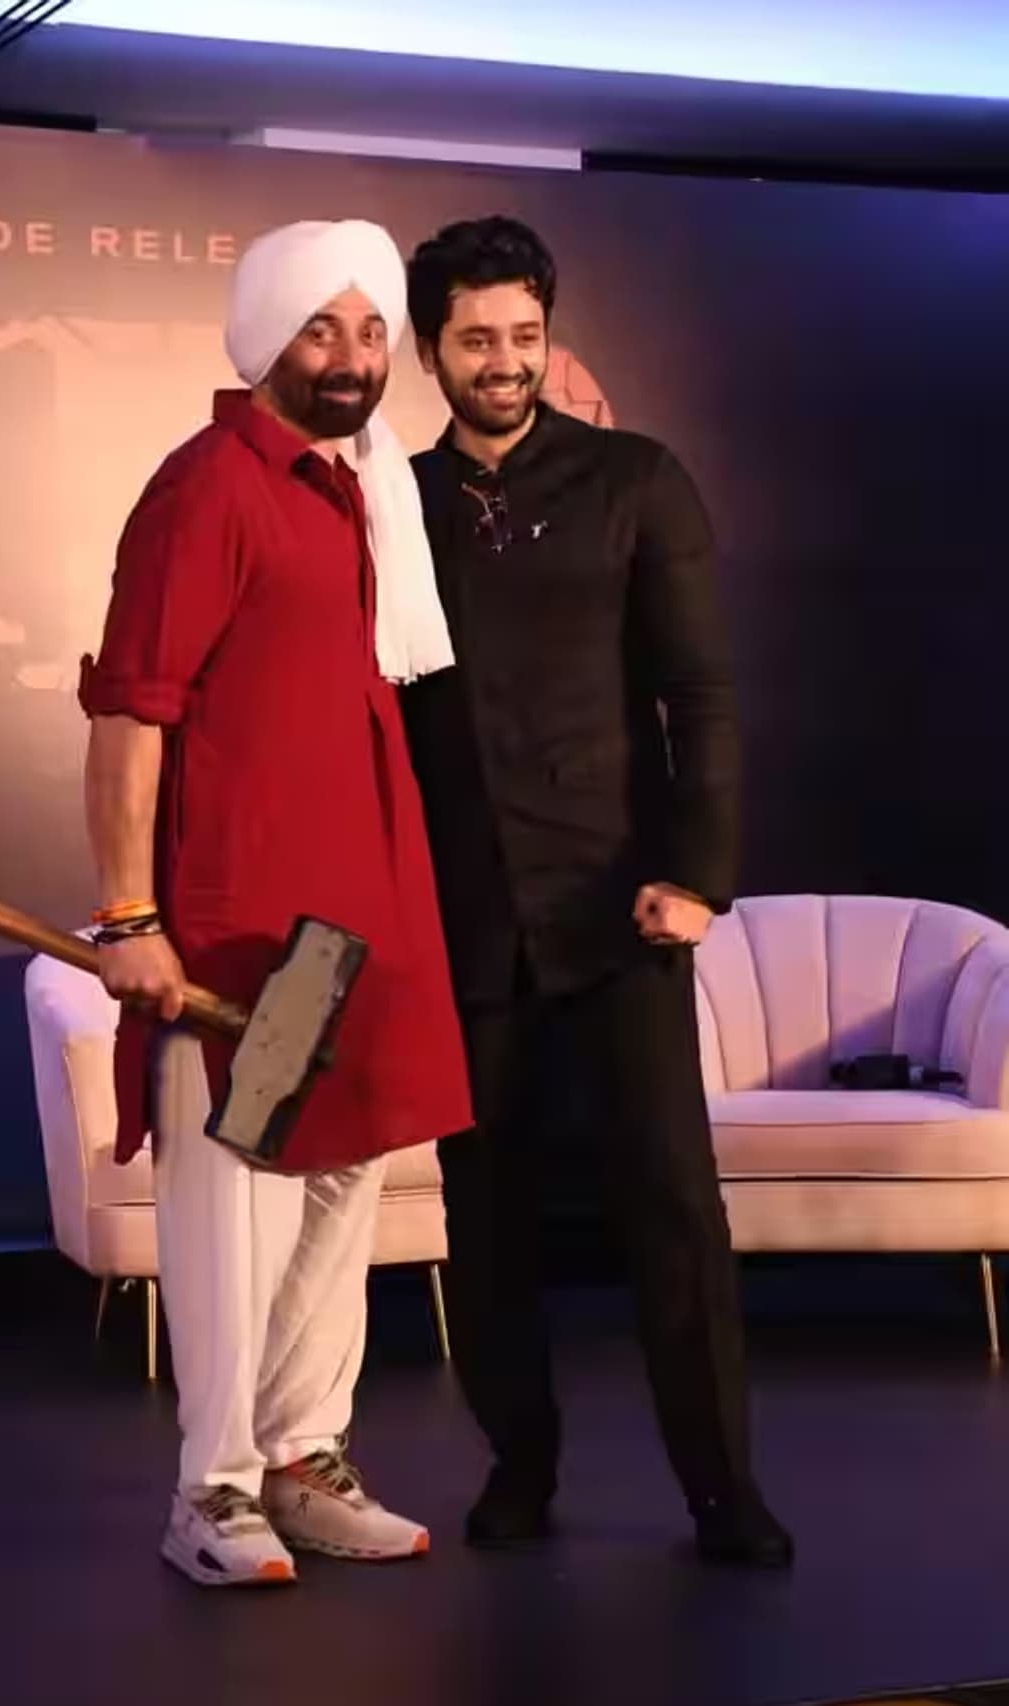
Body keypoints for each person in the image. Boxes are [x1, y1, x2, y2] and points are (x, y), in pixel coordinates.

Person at [78, 220, 470, 1588]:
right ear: (264, 338)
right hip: (254, 928)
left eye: (371, 331)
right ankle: (216, 1489)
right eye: (322, 329)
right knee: (241, 1197)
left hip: (359, 914)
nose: (353, 358)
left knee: (344, 1180)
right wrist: (130, 915)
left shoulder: (365, 490)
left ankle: (303, 1458)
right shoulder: (208, 490)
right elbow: (130, 717)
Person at [400, 215, 792, 1568]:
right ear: (432, 351)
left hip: (621, 909)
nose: (504, 361)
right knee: (485, 1216)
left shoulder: (636, 479)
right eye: (476, 340)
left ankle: (722, 1488)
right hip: (463, 917)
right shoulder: (392, 502)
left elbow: (704, 694)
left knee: (673, 1207)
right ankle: (519, 1466)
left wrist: (697, 874)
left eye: (524, 335)